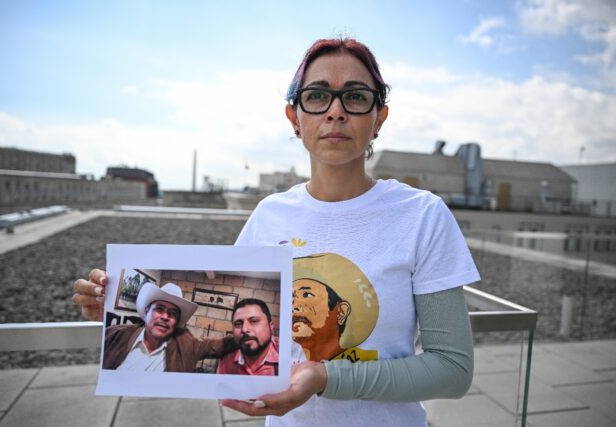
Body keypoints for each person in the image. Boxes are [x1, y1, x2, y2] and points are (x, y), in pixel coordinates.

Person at [73, 37, 480, 427]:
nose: (335, 112)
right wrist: (114, 309)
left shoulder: (422, 216)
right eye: (317, 96)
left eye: (356, 96)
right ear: (294, 117)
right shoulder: (269, 215)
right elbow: (216, 336)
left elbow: (452, 369)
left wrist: (324, 379)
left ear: (379, 118)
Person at [102, 282, 236, 372]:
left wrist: (249, 333)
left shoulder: (186, 346)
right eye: (159, 309)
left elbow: (219, 345)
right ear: (147, 310)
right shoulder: (114, 335)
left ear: (177, 321)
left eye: (172, 313)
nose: (165, 317)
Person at [217, 298, 279, 376]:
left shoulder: (289, 357)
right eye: (238, 324)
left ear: (271, 326)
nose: (244, 329)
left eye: (254, 321)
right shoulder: (227, 360)